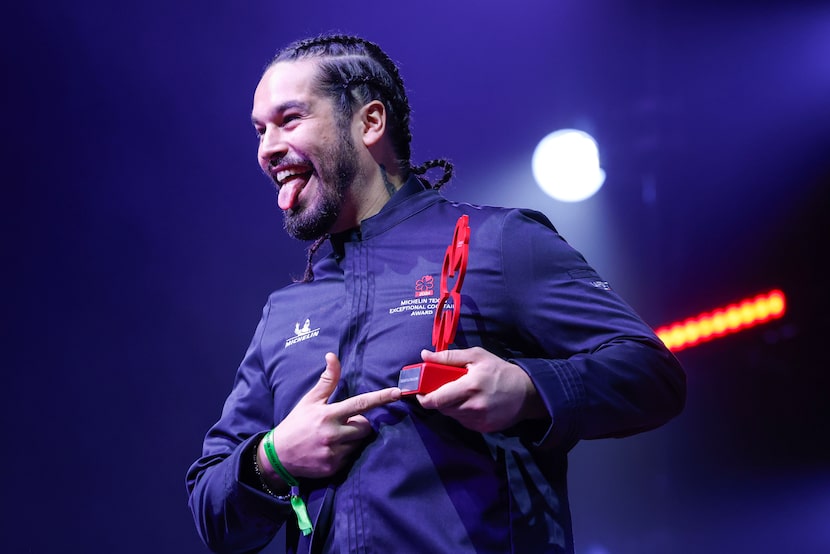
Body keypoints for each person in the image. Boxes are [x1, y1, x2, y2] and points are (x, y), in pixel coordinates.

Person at [186, 34, 686, 554]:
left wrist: (528, 390)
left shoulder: (500, 244)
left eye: (289, 119)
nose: (266, 148)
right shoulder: (286, 312)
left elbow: (652, 375)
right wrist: (273, 458)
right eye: (260, 130)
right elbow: (212, 508)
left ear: (369, 123)